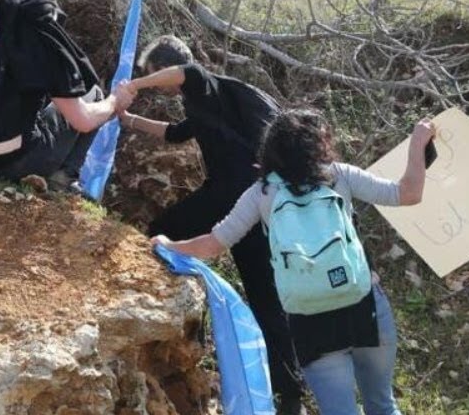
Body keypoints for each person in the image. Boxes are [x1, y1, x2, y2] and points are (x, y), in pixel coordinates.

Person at [156, 109, 435, 415]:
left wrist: (169, 245)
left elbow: (214, 244)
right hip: (364, 305)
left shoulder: (261, 194)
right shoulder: (339, 175)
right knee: (382, 405)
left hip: (310, 320)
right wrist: (418, 143)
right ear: (319, 144)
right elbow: (408, 193)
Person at [117, 36, 305, 414]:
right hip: (256, 202)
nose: (155, 82)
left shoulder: (207, 84)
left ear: (168, 71)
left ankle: (174, 318)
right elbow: (175, 133)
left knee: (158, 233)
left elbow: (188, 71)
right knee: (264, 296)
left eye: (154, 74)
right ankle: (291, 395)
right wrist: (128, 120)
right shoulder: (206, 103)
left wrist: (131, 87)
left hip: (234, 194)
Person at [0, 0, 131, 191]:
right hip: (20, 164)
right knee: (94, 94)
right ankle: (64, 178)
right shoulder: (42, 47)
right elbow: (84, 121)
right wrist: (114, 100)